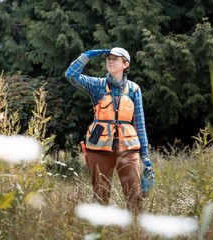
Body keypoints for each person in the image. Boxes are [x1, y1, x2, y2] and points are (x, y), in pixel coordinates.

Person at [65, 47, 154, 215]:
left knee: (135, 196)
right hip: (99, 149)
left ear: (125, 64)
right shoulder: (97, 85)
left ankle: (134, 232)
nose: (110, 61)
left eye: (116, 58)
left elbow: (140, 125)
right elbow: (71, 75)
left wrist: (145, 156)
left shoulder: (134, 89)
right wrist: (86, 56)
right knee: (100, 196)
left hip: (128, 149)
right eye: (108, 58)